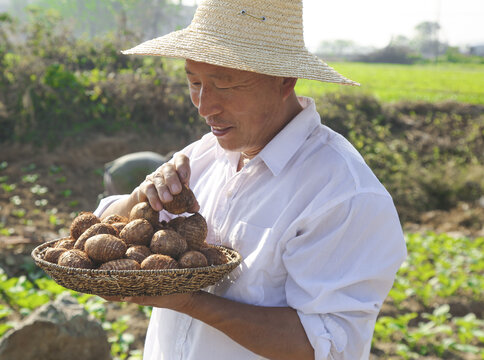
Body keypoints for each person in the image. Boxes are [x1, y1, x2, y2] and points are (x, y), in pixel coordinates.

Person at [94, 0, 407, 359]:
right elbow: (101, 236)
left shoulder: (343, 193)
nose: (204, 105)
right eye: (194, 81)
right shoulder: (202, 157)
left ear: (284, 80)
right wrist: (139, 196)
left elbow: (327, 346)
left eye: (224, 86)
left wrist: (188, 302)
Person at [103, 151, 173, 195]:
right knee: (121, 201)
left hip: (111, 170)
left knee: (110, 198)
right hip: (121, 175)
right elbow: (154, 185)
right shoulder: (161, 166)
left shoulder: (156, 158)